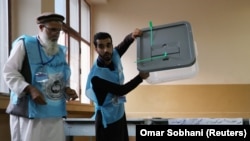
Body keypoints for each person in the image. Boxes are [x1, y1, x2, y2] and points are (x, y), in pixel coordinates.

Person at [2, 12, 78, 141]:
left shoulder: (59, 51)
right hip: (30, 114)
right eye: (52, 30)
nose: (56, 34)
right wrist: (30, 89)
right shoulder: (25, 44)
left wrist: (66, 89)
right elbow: (9, 72)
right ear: (41, 28)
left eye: (59, 31)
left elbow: (61, 75)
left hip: (54, 114)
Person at [85, 29, 149, 141]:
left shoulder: (112, 55)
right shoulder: (96, 76)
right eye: (101, 46)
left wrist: (131, 36)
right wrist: (140, 78)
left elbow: (123, 46)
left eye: (108, 45)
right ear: (96, 49)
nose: (106, 50)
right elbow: (120, 90)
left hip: (119, 114)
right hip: (107, 120)